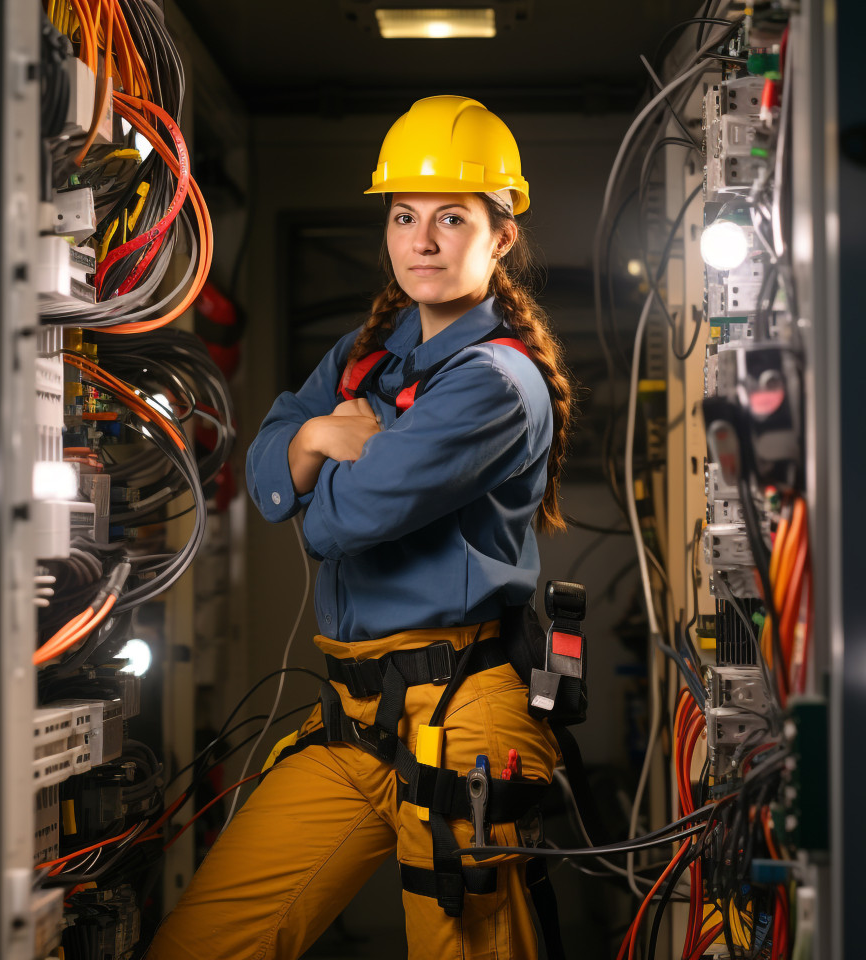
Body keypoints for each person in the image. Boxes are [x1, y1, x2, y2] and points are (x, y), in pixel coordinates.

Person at [146, 95, 575, 960]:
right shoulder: (365, 352)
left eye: (452, 218)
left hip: (465, 720)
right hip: (353, 720)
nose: (421, 240)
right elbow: (266, 463)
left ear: (501, 235)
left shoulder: (494, 383)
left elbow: (343, 520)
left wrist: (316, 472)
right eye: (404, 215)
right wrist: (311, 436)